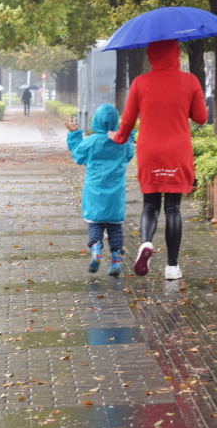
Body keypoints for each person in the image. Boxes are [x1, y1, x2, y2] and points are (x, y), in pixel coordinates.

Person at [108, 39, 207, 280]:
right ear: (176, 53)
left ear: (151, 54)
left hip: (149, 152)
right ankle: (172, 267)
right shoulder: (190, 80)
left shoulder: (140, 83)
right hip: (177, 152)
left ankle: (145, 244)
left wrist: (118, 137)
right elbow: (201, 118)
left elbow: (129, 120)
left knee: (150, 205)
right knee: (173, 208)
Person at [65, 104, 136, 276]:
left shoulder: (90, 142)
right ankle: (116, 261)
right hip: (115, 193)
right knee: (115, 227)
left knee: (95, 223)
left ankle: (96, 249)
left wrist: (75, 134)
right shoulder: (121, 142)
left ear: (96, 120)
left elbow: (77, 156)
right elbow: (129, 152)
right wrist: (128, 133)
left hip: (94, 191)